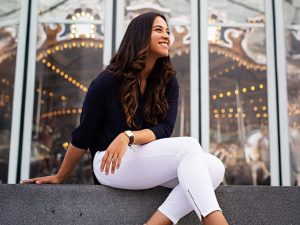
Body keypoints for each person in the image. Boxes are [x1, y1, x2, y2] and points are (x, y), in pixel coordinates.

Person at [21, 12, 229, 225]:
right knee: (189, 146)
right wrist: (60, 176)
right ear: (139, 36)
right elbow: (83, 135)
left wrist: (128, 136)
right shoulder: (106, 81)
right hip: (109, 164)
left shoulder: (168, 82)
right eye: (158, 30)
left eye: (168, 31)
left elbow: (165, 129)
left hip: (143, 161)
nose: (167, 35)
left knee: (214, 167)